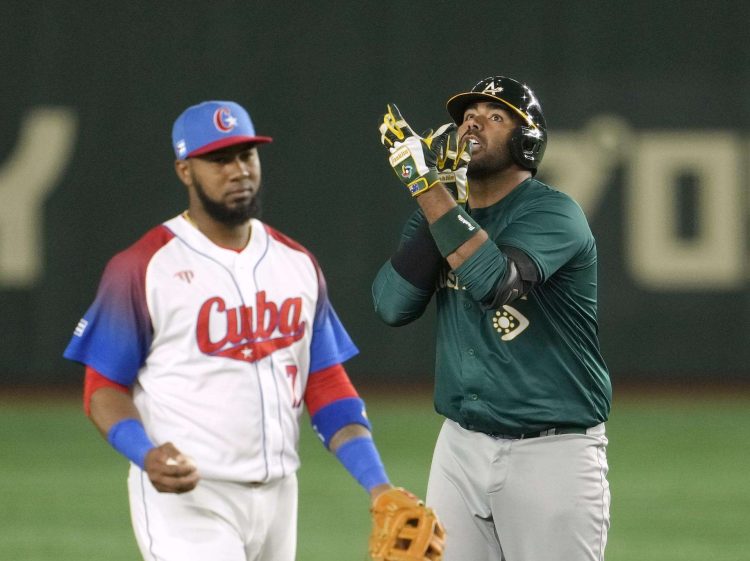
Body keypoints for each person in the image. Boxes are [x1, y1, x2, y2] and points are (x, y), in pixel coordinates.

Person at [63, 100, 395, 561]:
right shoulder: (142, 267)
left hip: (280, 495)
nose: (238, 170)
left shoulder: (296, 263)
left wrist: (379, 486)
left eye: (246, 155)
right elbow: (102, 387)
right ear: (185, 170)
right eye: (219, 160)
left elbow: (324, 382)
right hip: (189, 499)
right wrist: (145, 454)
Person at [373, 76, 612, 561]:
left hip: (552, 452)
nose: (473, 122)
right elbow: (391, 306)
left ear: (528, 141)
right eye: (467, 115)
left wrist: (426, 188)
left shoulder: (555, 212)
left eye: (495, 115)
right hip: (460, 446)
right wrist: (437, 195)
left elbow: (493, 282)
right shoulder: (442, 209)